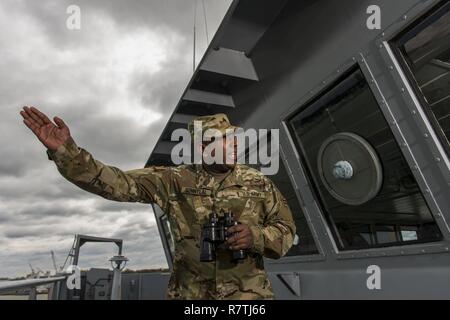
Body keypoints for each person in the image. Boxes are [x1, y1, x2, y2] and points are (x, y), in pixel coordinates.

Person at [20, 106, 296, 299]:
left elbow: (286, 231)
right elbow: (113, 183)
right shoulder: (174, 180)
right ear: (203, 147)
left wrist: (256, 237)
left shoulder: (258, 183)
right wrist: (66, 152)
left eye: (234, 138)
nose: (235, 144)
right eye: (224, 140)